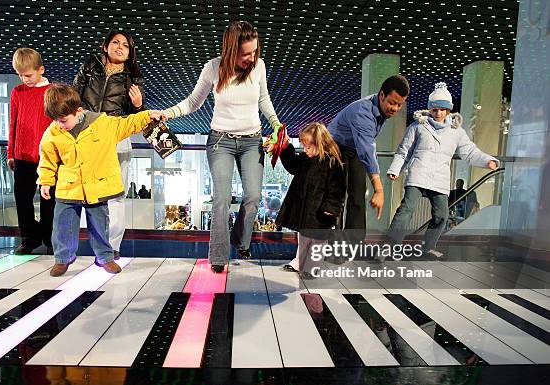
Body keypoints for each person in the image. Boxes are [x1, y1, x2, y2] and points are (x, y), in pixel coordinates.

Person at [158, 21, 283, 273]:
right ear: (230, 50)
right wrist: (168, 113)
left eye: (254, 51)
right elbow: (193, 102)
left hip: (251, 141)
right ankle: (218, 256)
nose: (251, 57)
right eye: (246, 53)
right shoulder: (213, 68)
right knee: (222, 199)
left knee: (253, 197)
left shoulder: (259, 66)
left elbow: (263, 98)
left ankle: (240, 241)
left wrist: (276, 123)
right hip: (220, 142)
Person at [37, 84, 161, 276]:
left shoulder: (102, 124)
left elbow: (127, 123)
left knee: (100, 225)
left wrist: (147, 115)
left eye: (63, 120)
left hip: (98, 187)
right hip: (68, 187)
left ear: (78, 111)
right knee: (62, 226)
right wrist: (45, 181)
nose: (60, 125)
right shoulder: (53, 132)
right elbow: (47, 159)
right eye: (56, 121)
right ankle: (63, 258)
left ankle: (105, 257)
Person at [384, 83, 498, 260]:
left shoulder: (456, 132)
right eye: (435, 109)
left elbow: (469, 152)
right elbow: (403, 150)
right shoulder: (417, 126)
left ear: (448, 110)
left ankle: (428, 248)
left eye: (442, 109)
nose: (438, 113)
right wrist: (395, 169)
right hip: (418, 174)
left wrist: (487, 161)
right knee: (406, 210)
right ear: (430, 108)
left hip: (440, 179)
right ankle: (388, 247)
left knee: (441, 216)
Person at [73, 30, 144, 261]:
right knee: (91, 193)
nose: (120, 47)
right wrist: (77, 112)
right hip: (88, 132)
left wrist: (138, 104)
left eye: (125, 44)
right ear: (106, 46)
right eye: (115, 42)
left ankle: (112, 247)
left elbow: (139, 115)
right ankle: (97, 244)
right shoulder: (90, 66)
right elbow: (74, 94)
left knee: (116, 194)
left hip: (116, 133)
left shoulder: (133, 76)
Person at [327, 75, 409, 245]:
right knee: (337, 196)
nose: (395, 108)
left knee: (357, 194)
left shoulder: (381, 110)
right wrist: (379, 189)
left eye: (400, 105)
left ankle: (353, 244)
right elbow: (367, 150)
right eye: (392, 102)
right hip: (335, 147)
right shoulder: (362, 112)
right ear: (381, 95)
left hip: (353, 148)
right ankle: (333, 244)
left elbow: (364, 147)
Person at [276, 122, 346, 278]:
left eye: (308, 147)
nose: (305, 150)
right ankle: (299, 262)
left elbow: (338, 189)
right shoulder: (306, 159)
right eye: (304, 147)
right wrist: (286, 148)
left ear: (320, 144)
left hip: (321, 210)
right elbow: (292, 165)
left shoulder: (333, 163)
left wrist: (332, 207)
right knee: (304, 237)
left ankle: (312, 267)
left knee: (318, 240)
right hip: (305, 207)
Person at [8, 48, 56, 254]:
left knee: (49, 200)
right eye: (20, 75)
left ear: (41, 70)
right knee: (22, 199)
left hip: (49, 157)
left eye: (28, 75)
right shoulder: (17, 92)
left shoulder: (53, 91)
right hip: (22, 155)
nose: (24, 79)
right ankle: (29, 238)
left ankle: (50, 239)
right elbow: (13, 123)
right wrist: (10, 152)